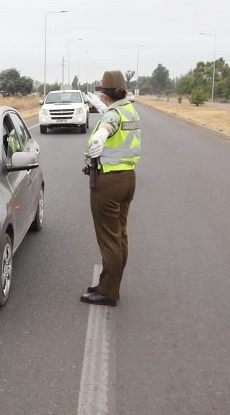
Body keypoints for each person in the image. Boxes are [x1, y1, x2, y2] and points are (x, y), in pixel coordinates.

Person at [81, 71, 141, 307]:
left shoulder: (114, 115)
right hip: (128, 178)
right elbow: (115, 121)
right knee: (120, 235)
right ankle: (109, 283)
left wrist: (100, 138)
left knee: (109, 239)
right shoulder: (130, 110)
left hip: (109, 182)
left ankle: (108, 292)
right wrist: (106, 113)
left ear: (105, 95)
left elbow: (109, 126)